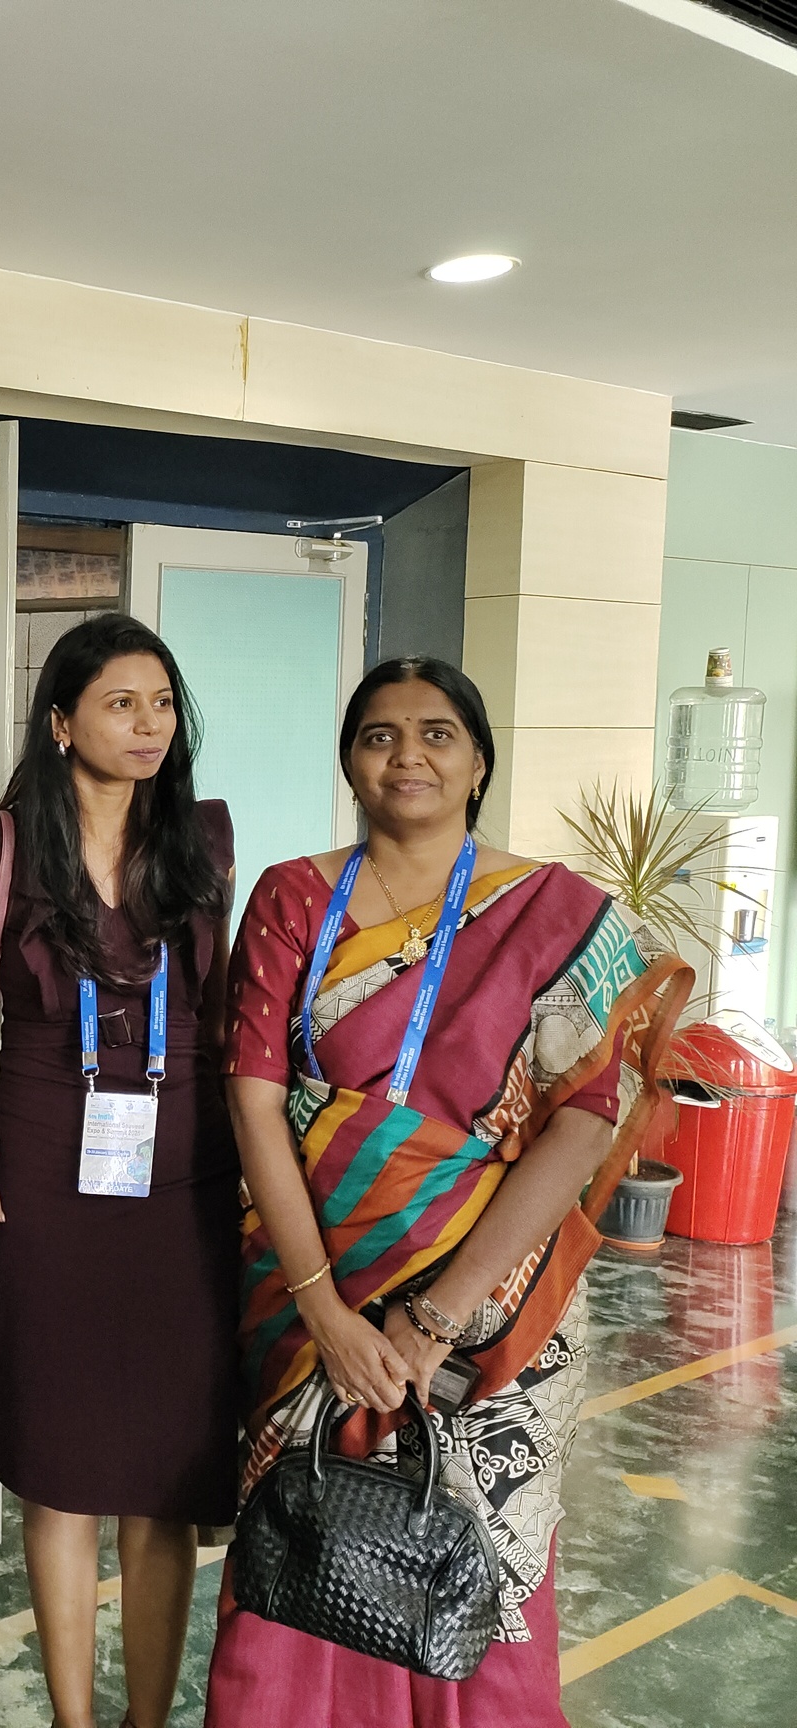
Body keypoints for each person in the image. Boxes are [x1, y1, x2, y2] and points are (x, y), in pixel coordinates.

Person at [205, 656, 683, 1727]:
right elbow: (252, 1098)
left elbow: (585, 1119)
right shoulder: (292, 898)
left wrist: (434, 1321)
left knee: (471, 1572)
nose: (407, 756)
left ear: (477, 763)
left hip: (493, 1315)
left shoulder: (558, 915)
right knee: (301, 1552)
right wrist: (327, 1313)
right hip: (309, 1298)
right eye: (379, 735)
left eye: (436, 734)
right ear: (350, 763)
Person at [0, 613, 238, 1728]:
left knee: (164, 1482)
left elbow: (226, 1014)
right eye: (120, 703)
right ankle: (75, 1720)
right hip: (45, 1179)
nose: (149, 725)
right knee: (59, 1473)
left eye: (163, 704)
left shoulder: (205, 840)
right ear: (60, 722)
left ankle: (148, 1719)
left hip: (188, 1181)